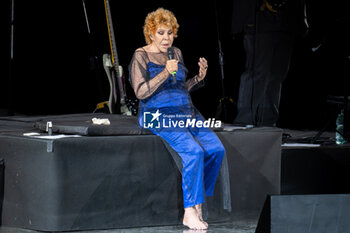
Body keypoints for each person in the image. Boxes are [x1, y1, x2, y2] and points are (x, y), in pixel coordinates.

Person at [129, 8, 225, 230]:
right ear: (151, 33)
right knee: (194, 151)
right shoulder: (141, 55)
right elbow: (140, 92)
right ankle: (190, 211)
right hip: (157, 115)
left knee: (216, 149)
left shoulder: (176, 53)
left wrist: (198, 79)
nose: (166, 38)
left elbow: (181, 87)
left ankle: (199, 201)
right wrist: (164, 72)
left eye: (170, 33)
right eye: (161, 33)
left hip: (185, 111)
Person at [232, 0, 309, 127]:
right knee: (258, 73)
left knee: (277, 74)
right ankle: (244, 121)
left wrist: (302, 17)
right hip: (259, 19)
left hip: (285, 21)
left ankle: (267, 122)